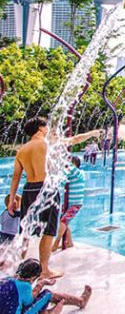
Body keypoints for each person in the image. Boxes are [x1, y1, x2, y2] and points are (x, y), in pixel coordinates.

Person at [8, 117, 100, 280]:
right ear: (41, 129)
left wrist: (11, 200)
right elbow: (75, 139)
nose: (48, 129)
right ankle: (44, 270)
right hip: (47, 189)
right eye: (46, 127)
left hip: (29, 188)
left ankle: (20, 268)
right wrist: (93, 133)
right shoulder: (47, 144)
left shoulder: (22, 150)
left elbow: (16, 177)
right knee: (49, 230)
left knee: (25, 230)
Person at [0, 258, 92, 314]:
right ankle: (80, 302)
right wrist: (41, 284)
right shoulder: (25, 286)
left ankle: (46, 312)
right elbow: (29, 302)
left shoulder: (7, 280)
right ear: (33, 277)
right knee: (47, 294)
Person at [52, 156, 85, 252]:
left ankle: (56, 242)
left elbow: (71, 168)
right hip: (69, 203)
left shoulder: (79, 173)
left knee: (63, 221)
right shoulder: (70, 175)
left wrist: (63, 161)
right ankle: (69, 242)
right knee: (63, 222)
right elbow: (61, 183)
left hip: (75, 203)